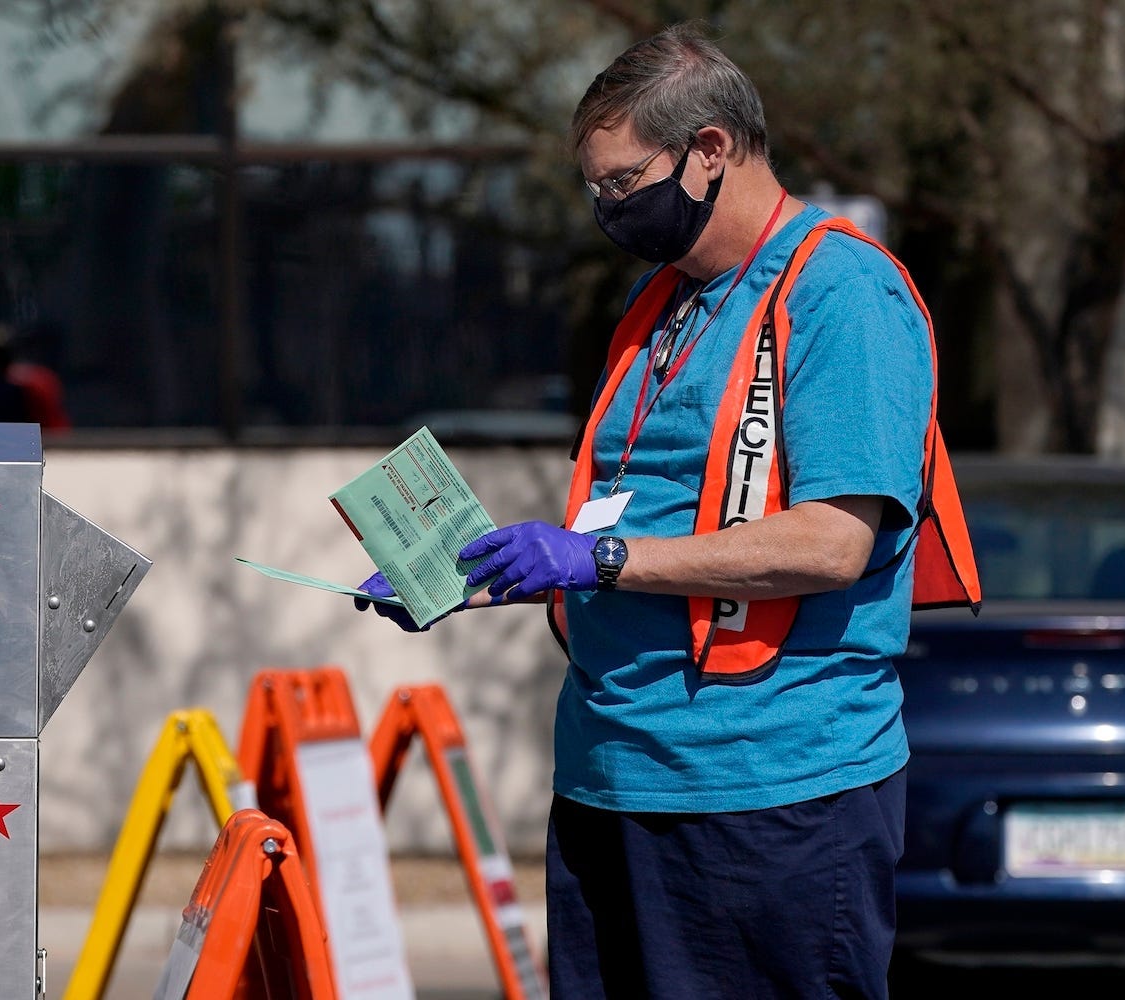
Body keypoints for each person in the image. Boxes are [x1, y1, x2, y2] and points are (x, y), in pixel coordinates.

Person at [354, 24, 978, 999]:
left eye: (620, 180)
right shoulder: (663, 302)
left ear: (711, 149)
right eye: (593, 187)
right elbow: (645, 527)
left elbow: (832, 541)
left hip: (766, 799)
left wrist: (596, 561)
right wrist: (475, 571)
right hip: (612, 783)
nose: (606, 207)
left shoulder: (839, 294)